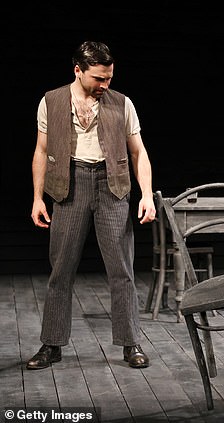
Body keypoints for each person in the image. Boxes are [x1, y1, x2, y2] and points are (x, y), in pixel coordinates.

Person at [28, 41, 156, 370]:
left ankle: (131, 343)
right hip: (70, 184)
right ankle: (52, 344)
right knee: (61, 270)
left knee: (122, 271)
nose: (105, 84)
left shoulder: (122, 104)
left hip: (111, 184)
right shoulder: (51, 101)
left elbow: (138, 152)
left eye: (109, 78)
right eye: (99, 78)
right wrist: (37, 197)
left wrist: (145, 194)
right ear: (78, 70)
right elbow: (41, 151)